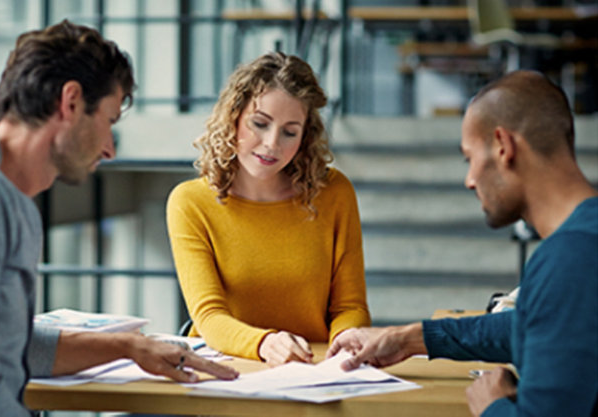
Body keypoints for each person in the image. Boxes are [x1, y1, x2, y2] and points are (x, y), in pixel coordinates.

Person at [0, 20, 237, 417]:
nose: (109, 149)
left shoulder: (6, 196)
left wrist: (129, 346)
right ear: (70, 102)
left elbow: (10, 342)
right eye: (108, 122)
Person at [326, 71, 597, 416]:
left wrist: (493, 406)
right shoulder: (585, 239)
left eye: (470, 159)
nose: (470, 181)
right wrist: (410, 338)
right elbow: (535, 325)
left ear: (503, 146)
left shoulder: (569, 260)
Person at [166, 52, 371, 367]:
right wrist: (265, 343)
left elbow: (350, 306)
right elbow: (208, 316)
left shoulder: (333, 193)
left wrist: (343, 348)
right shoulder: (190, 203)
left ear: (304, 137)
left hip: (315, 370)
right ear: (232, 117)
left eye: (290, 131)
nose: (272, 143)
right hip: (226, 372)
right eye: (260, 124)